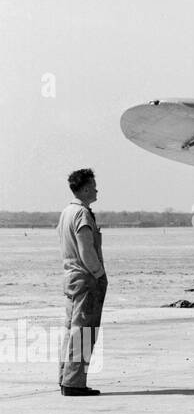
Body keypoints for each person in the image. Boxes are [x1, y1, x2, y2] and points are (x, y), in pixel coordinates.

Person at [57, 168, 107, 396]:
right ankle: (75, 383)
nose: (97, 190)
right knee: (84, 331)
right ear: (86, 188)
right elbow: (86, 250)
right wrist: (99, 274)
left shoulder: (67, 212)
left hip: (70, 278)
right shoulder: (82, 214)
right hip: (85, 279)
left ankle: (66, 378)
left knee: (71, 330)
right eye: (94, 186)